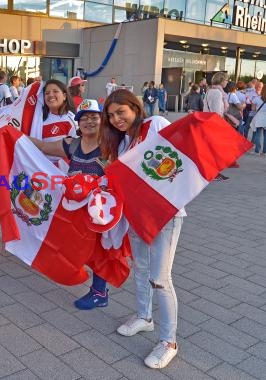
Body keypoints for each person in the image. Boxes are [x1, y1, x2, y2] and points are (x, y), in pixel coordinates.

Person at [101, 89, 183, 369]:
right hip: (136, 215)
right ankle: (144, 317)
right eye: (111, 116)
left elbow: (181, 154)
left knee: (161, 278)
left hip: (164, 214)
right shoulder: (121, 142)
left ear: (135, 108)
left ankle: (168, 342)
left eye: (120, 112)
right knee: (141, 269)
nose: (116, 119)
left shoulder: (156, 124)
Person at [30, 99, 109, 309]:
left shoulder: (110, 146)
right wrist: (17, 138)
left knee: (101, 250)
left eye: (94, 117)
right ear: (78, 123)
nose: (89, 122)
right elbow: (44, 146)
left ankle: (99, 292)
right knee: (79, 245)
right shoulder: (72, 144)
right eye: (84, 118)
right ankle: (81, 278)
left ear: (102, 119)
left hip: (100, 209)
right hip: (75, 207)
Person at [38, 79, 78, 164]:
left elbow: (76, 150)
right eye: (47, 93)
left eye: (55, 91)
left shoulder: (72, 120)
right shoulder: (38, 118)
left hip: (62, 173)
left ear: (64, 96)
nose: (51, 95)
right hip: (39, 170)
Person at [203, 71, 230, 180]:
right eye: (226, 80)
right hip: (214, 124)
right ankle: (213, 173)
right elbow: (216, 112)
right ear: (221, 80)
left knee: (211, 149)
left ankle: (212, 172)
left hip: (208, 123)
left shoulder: (211, 90)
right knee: (215, 150)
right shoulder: (217, 93)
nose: (227, 82)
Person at [250, 84, 266, 156]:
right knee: (265, 136)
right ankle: (264, 152)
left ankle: (257, 151)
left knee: (257, 134)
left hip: (259, 117)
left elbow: (253, 109)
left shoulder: (257, 98)